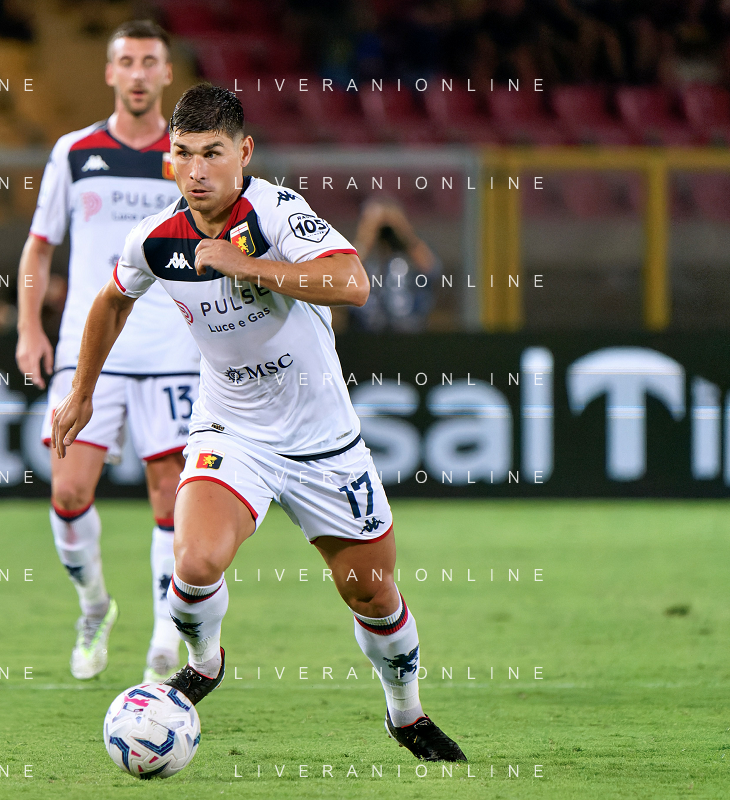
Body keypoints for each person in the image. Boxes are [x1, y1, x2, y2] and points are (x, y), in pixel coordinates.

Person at [51, 84, 467, 762]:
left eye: (212, 153)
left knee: (371, 594)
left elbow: (352, 282)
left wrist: (249, 267)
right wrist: (81, 392)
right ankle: (205, 662)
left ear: (244, 152)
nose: (196, 171)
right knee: (193, 564)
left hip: (324, 443)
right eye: (183, 154)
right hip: (232, 432)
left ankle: (405, 712)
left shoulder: (276, 214)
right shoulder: (156, 239)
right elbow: (110, 302)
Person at [16, 20, 200, 683]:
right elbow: (39, 246)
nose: (138, 73)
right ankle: (94, 605)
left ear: (167, 73)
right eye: (127, 61)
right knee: (68, 488)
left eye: (150, 61)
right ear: (109, 73)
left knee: (170, 494)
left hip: (172, 348)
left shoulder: (189, 158)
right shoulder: (73, 151)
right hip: (87, 347)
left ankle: (163, 635)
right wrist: (29, 328)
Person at [349, 197, 440, 333]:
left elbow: (431, 269)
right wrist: (367, 233)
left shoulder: (408, 260)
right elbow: (347, 273)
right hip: (367, 333)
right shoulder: (366, 260)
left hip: (410, 331)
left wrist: (401, 229)